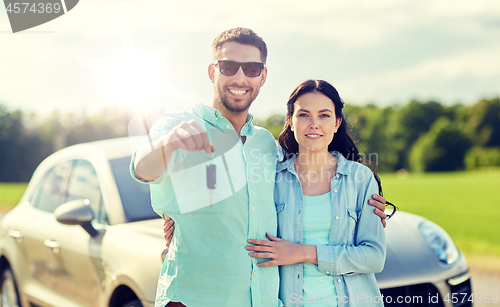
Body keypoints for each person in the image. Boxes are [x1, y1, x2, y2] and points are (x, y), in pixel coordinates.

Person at [133, 28, 387, 307]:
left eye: (251, 68)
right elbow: (142, 169)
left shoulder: (265, 144)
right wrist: (170, 144)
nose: (240, 78)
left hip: (261, 299)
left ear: (262, 76)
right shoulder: (178, 124)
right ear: (211, 72)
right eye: (228, 67)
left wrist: (366, 211)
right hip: (194, 299)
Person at [246, 80, 386, 306]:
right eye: (303, 115)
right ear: (290, 121)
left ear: (337, 123)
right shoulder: (272, 179)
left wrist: (302, 252)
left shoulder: (360, 179)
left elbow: (374, 257)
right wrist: (178, 222)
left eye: (324, 115)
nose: (314, 124)